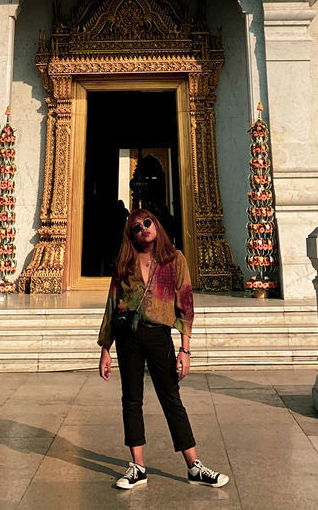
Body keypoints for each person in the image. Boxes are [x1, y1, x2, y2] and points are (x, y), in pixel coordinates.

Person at [97, 207, 229, 490]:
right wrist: (105, 348)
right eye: (136, 227)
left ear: (155, 224)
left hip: (158, 335)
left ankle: (194, 466)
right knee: (131, 399)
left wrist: (185, 349)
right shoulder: (125, 261)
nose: (143, 228)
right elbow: (112, 303)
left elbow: (186, 303)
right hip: (128, 335)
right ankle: (138, 467)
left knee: (171, 398)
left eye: (147, 222)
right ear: (130, 234)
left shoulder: (174, 259)